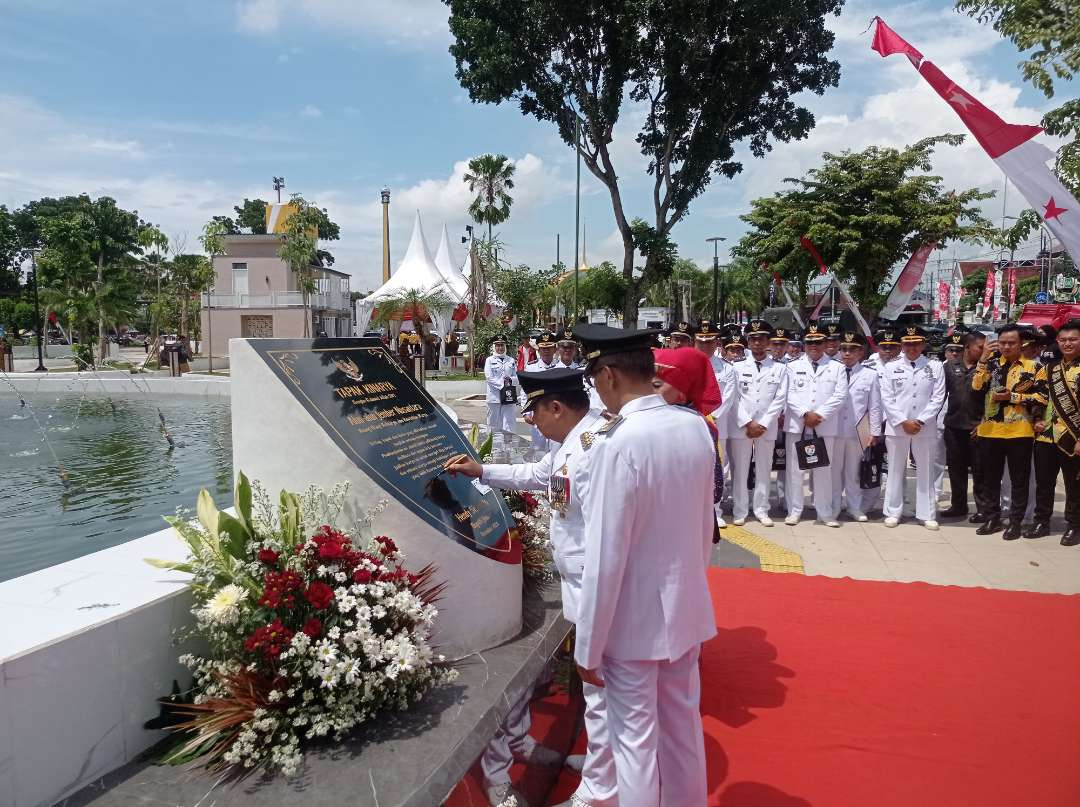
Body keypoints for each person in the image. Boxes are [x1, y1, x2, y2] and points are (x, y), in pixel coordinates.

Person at [444, 369, 616, 807]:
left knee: (602, 695)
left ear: (556, 407)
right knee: (598, 698)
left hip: (597, 587)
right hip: (581, 584)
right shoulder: (574, 443)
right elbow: (538, 473)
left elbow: (606, 536)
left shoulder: (595, 449)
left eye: (535, 413)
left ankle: (599, 794)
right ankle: (601, 776)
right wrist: (481, 470)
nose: (531, 423)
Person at [572, 324, 716, 806]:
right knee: (681, 729)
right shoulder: (692, 425)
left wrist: (588, 647)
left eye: (594, 381)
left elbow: (605, 557)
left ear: (609, 375)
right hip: (685, 610)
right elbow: (703, 529)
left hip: (632, 625)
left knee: (633, 744)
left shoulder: (619, 443)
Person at [971, 323, 1043, 540]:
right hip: (990, 431)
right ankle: (992, 517)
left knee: (1019, 479)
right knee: (990, 478)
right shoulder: (990, 364)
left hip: (1019, 431)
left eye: (1011, 343)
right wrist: (983, 357)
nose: (1006, 347)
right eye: (1002, 343)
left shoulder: (1034, 368)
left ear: (1022, 344)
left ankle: (1015, 521)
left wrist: (1013, 397)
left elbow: (1041, 398)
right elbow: (976, 387)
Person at [878, 325, 946, 530]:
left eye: (916, 343)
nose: (911, 348)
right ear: (902, 345)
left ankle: (926, 513)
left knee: (925, 471)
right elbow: (887, 398)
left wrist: (921, 420)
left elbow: (938, 397)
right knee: (895, 470)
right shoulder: (890, 367)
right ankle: (892, 511)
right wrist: (902, 421)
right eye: (907, 344)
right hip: (897, 427)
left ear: (923, 344)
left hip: (924, 427)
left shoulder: (934, 366)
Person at [654, 347, 725, 539]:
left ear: (682, 394)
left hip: (686, 521)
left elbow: (716, 487)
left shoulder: (702, 427)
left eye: (657, 385)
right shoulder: (650, 421)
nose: (650, 392)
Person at [782, 321, 848, 526]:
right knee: (795, 471)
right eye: (810, 342)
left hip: (824, 425)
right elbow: (789, 393)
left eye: (818, 342)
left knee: (823, 471)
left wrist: (819, 414)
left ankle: (825, 512)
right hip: (798, 425)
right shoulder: (792, 367)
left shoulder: (837, 368)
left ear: (825, 343)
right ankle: (795, 510)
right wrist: (804, 413)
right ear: (804, 344)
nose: (814, 346)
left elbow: (840, 396)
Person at [730, 319, 788, 527]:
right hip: (742, 427)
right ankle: (740, 510)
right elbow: (733, 398)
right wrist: (747, 422)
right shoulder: (736, 368)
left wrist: (762, 423)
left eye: (761, 338)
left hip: (766, 427)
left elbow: (780, 399)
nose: (757, 342)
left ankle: (762, 509)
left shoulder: (779, 369)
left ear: (768, 341)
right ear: (747, 341)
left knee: (764, 470)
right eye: (753, 338)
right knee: (740, 470)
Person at [1031, 319, 1080, 546]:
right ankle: (1041, 521)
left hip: (1072, 436)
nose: (1067, 343)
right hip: (1045, 435)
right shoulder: (1049, 369)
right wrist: (1037, 418)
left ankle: (1074, 525)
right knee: (1044, 481)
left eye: (1073, 339)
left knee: (1074, 484)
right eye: (1063, 340)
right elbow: (1040, 397)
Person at [831, 330, 881, 522]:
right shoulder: (833, 371)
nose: (847, 353)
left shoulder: (870, 375)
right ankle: (834, 506)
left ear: (861, 352)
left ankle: (854, 506)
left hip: (857, 431)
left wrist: (875, 432)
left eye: (852, 349)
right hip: (834, 430)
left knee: (853, 472)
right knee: (834, 472)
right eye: (844, 349)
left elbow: (874, 406)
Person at [938, 330, 988, 520]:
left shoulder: (987, 368)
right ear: (968, 347)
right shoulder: (949, 367)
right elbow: (940, 395)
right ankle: (958, 505)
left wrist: (984, 422)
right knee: (955, 469)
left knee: (980, 470)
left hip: (977, 426)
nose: (984, 352)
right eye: (980, 348)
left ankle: (983, 507)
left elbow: (991, 399)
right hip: (953, 425)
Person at [524, 331, 560, 455]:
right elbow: (526, 392)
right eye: (543, 348)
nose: (546, 351)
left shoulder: (561, 368)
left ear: (555, 349)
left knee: (557, 450)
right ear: (538, 350)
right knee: (537, 451)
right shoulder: (531, 368)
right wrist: (526, 413)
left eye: (549, 348)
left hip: (557, 415)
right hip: (538, 415)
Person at [485, 335, 519, 439]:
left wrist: (510, 381)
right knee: (493, 424)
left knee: (509, 422)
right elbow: (489, 377)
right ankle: (493, 447)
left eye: (502, 345)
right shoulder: (489, 360)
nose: (500, 348)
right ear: (494, 347)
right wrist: (503, 385)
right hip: (494, 397)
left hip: (509, 396)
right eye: (498, 345)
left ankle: (508, 446)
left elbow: (517, 377)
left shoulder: (511, 360)